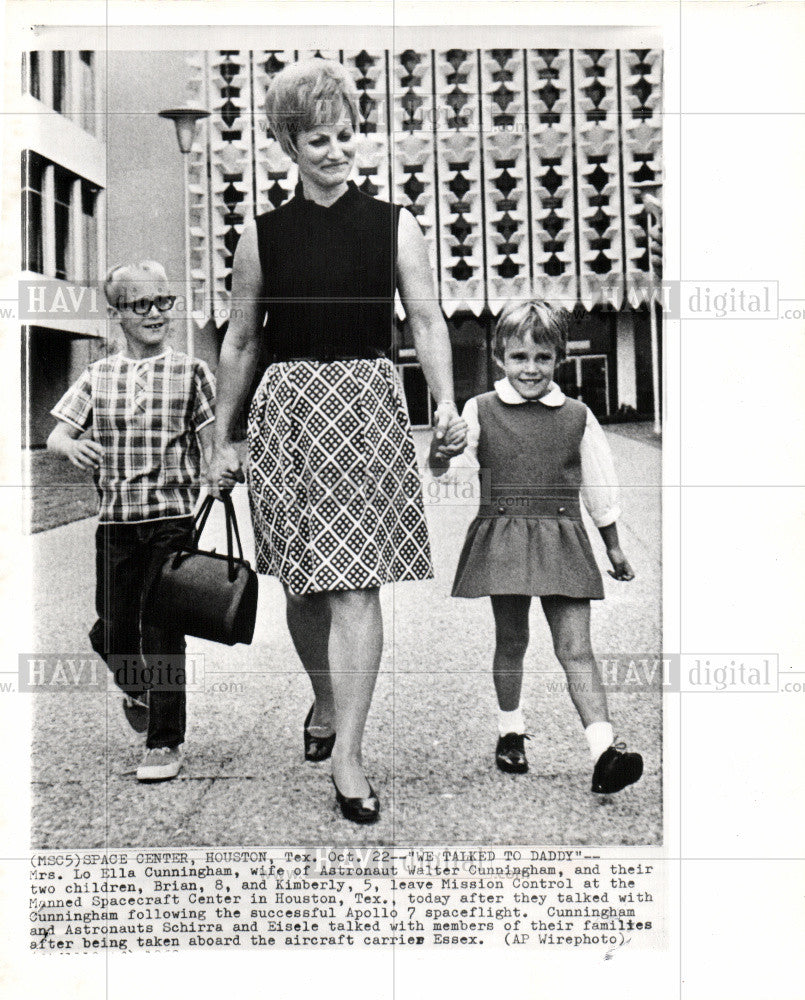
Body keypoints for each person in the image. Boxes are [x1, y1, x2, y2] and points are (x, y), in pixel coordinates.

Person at [207, 59, 464, 824]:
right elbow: (241, 342)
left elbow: (425, 320)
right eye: (317, 138)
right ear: (287, 142)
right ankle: (325, 697)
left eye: (346, 135)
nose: (336, 150)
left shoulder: (394, 223)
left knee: (357, 583)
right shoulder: (262, 234)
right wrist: (225, 438)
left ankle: (348, 752)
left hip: (365, 405)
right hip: (286, 410)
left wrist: (446, 401)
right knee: (303, 585)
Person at [430, 299, 643, 794]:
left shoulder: (578, 416)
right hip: (504, 536)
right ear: (500, 357)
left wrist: (612, 546)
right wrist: (440, 454)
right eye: (520, 357)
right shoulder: (478, 409)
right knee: (512, 641)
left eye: (542, 358)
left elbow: (599, 486)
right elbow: (454, 476)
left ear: (558, 359)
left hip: (563, 535)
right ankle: (510, 731)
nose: (531, 369)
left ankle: (604, 751)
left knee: (577, 648)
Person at [47, 261, 216, 782]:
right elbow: (56, 435)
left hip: (173, 519)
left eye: (163, 302)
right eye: (140, 305)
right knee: (114, 629)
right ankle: (139, 686)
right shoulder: (98, 376)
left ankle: (164, 743)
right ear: (116, 312)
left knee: (164, 630)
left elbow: (213, 446)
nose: (155, 314)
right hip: (116, 522)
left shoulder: (192, 373)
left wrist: (221, 473)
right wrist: (72, 445)